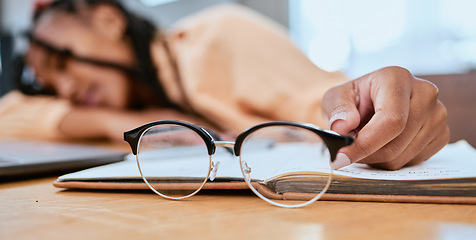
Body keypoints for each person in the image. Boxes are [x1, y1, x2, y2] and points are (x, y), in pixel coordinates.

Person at [0, 0, 449, 170]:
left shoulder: (216, 36)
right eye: (49, 81)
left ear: (107, 17)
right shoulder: (141, 100)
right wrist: (134, 121)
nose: (66, 88)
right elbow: (9, 113)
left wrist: (357, 105)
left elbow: (318, 101)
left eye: (61, 60)